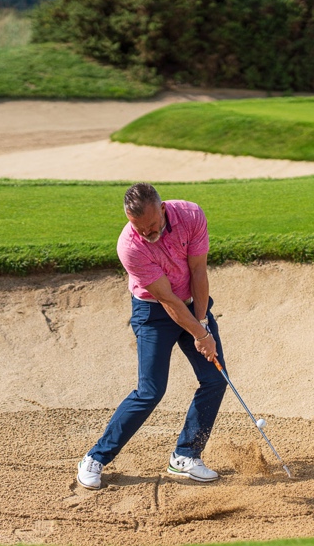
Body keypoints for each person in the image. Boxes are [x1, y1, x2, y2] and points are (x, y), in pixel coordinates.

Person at [76, 182, 227, 489]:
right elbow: (168, 300)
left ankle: (185, 456)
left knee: (214, 378)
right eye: (139, 227)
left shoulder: (190, 215)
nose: (147, 233)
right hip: (153, 312)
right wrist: (200, 334)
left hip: (193, 302)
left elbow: (198, 270)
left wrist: (202, 322)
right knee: (151, 390)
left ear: (163, 209)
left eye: (152, 225)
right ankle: (95, 457)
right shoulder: (130, 246)